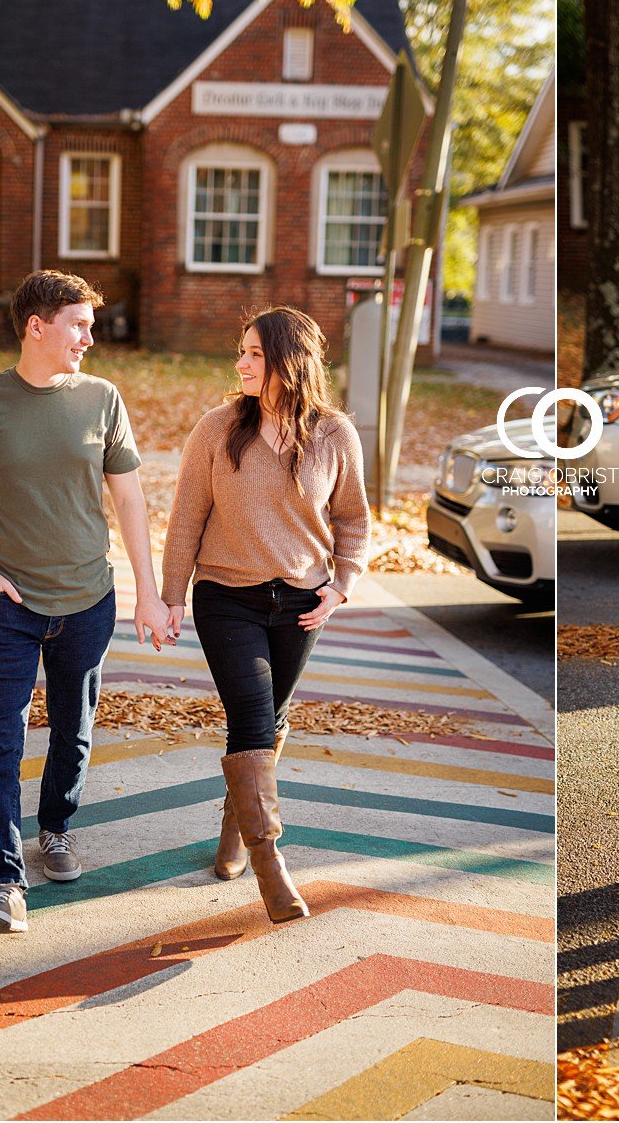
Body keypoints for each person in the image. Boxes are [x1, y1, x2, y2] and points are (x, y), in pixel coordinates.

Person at [0, 270, 170, 936]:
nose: (90, 338)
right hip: (3, 603)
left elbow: (128, 499)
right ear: (37, 326)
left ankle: (57, 827)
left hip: (86, 599)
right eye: (79, 324)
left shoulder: (102, 399)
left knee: (74, 727)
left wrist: (148, 593)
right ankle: (3, 882)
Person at [161, 307, 370, 923]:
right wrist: (173, 596)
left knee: (268, 719)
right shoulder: (218, 427)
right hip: (227, 596)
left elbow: (353, 518)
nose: (241, 363)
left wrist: (340, 588)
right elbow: (187, 518)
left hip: (302, 602)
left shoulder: (334, 435)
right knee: (252, 716)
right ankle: (269, 862)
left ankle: (232, 835)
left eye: (255, 354)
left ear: (290, 362)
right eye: (242, 351)